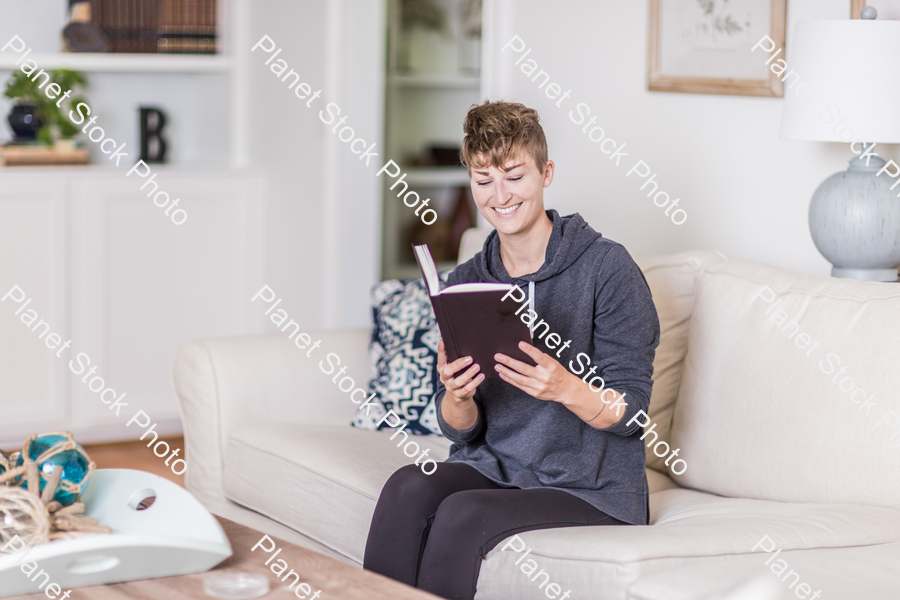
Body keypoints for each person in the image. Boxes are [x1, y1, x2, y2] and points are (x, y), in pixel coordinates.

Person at [363, 100, 660, 600]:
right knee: (406, 487)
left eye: (514, 177)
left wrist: (565, 387)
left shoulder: (607, 269)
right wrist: (456, 396)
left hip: (591, 487)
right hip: (494, 468)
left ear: (546, 173)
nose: (499, 196)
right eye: (484, 181)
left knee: (463, 514)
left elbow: (632, 413)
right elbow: (463, 426)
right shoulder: (468, 279)